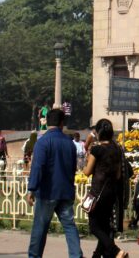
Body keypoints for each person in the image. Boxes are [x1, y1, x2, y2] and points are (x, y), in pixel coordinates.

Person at [27, 108, 82, 258]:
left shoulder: (43, 142)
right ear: (62, 123)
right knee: (70, 226)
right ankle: (76, 255)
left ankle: (34, 255)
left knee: (40, 227)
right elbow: (73, 169)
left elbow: (37, 167)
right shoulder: (69, 144)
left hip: (47, 192)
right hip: (65, 191)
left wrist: (31, 189)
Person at [82, 119, 129, 258]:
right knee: (105, 227)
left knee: (94, 226)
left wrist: (86, 161)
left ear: (98, 132)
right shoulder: (117, 149)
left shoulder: (97, 149)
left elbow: (87, 171)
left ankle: (116, 251)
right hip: (111, 193)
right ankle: (97, 255)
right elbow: (119, 174)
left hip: (97, 192)